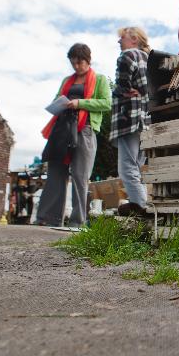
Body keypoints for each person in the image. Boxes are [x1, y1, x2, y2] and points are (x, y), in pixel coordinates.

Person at [37, 43, 111, 228]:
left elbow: (106, 103)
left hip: (85, 129)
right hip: (62, 130)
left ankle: (77, 222)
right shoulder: (66, 80)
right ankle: (49, 219)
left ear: (88, 60)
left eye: (80, 63)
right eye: (73, 63)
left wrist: (80, 103)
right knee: (55, 172)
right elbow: (56, 98)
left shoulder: (100, 79)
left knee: (80, 175)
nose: (77, 67)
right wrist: (60, 102)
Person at [109, 27, 151, 216]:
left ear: (134, 39)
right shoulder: (149, 58)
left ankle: (140, 207)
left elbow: (121, 85)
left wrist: (122, 90)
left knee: (127, 167)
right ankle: (142, 204)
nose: (119, 42)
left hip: (128, 117)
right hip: (145, 118)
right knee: (138, 166)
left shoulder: (127, 55)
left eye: (122, 38)